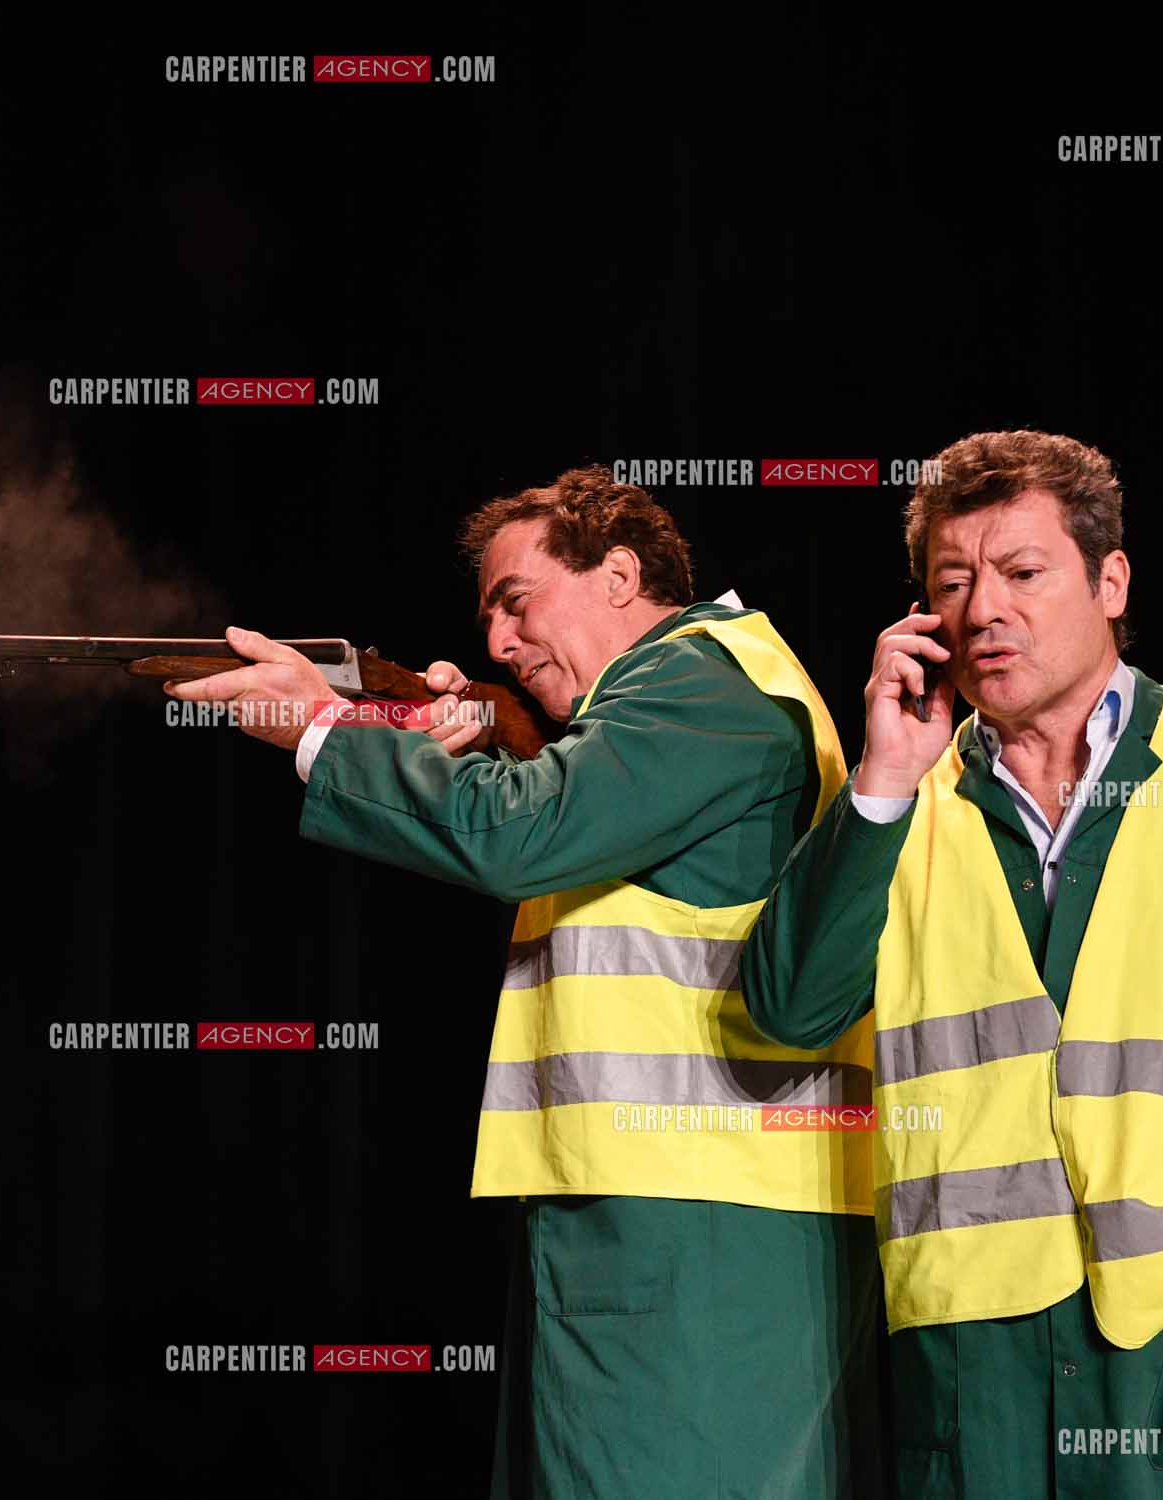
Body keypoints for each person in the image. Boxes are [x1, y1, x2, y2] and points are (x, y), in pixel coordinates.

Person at [169, 465, 881, 1497]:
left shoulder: (702, 685)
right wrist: (448, 738)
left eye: (518, 602)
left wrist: (320, 727)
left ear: (621, 576)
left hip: (697, 1222)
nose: (499, 642)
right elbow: (548, 807)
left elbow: (519, 831)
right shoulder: (693, 689)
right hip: (674, 1209)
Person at [738, 429, 1163, 1496]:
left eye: (1022, 572)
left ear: (1110, 581)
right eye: (952, 583)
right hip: (976, 1372)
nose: (982, 610)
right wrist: (878, 782)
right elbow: (786, 1015)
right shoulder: (894, 806)